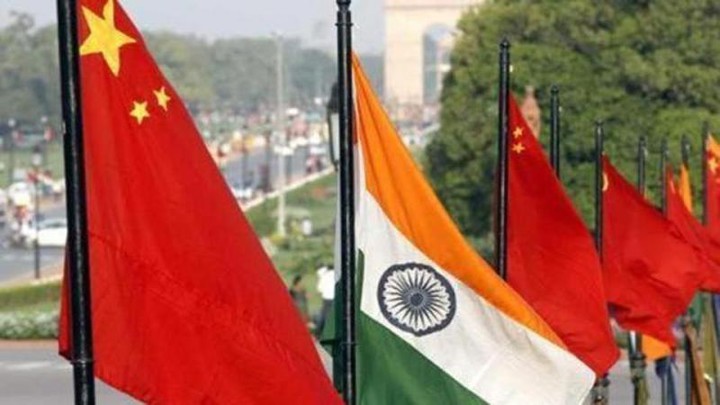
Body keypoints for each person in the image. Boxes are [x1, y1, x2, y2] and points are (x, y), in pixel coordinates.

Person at [315, 265, 335, 335]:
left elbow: (319, 290)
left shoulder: (324, 276)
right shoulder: (336, 275)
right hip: (335, 298)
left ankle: (319, 331)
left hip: (326, 298)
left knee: (324, 315)